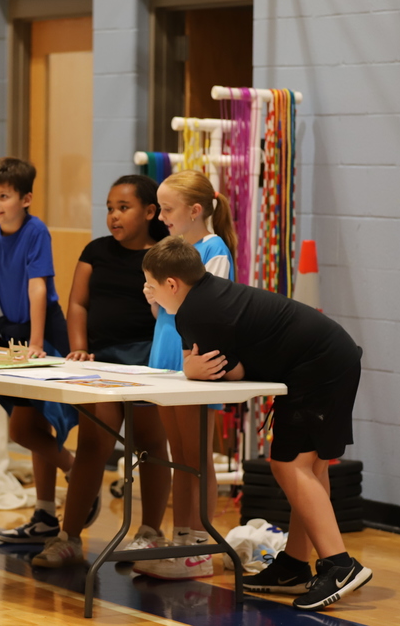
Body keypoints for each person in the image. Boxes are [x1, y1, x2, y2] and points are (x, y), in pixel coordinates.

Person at [142, 237, 372, 611]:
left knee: (288, 464)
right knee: (309, 467)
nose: (147, 291)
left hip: (319, 367)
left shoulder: (195, 312)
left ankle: (340, 566)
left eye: (151, 284)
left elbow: (221, 373)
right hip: (330, 358)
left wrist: (190, 368)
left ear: (172, 285)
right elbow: (237, 368)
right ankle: (295, 566)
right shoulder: (208, 297)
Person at [33, 175, 172, 567]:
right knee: (94, 443)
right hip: (101, 361)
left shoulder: (163, 254)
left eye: (123, 208)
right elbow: (77, 304)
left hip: (149, 362)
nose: (113, 216)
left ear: (149, 212)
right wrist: (79, 347)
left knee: (150, 446)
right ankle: (68, 537)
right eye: (109, 208)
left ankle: (149, 533)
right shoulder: (95, 251)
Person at [133, 170, 236, 581]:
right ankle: (181, 538)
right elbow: (167, 312)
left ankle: (199, 544)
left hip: (194, 361)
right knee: (179, 457)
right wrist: (154, 298)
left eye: (169, 209)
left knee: (197, 459)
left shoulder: (215, 251)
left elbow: (208, 312)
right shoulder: (168, 250)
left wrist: (166, 299)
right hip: (166, 358)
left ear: (195, 211)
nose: (162, 218)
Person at [0, 157, 77, 544]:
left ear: (27, 198)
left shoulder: (37, 231)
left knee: (30, 427)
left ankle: (73, 473)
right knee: (28, 427)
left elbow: (38, 289)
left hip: (44, 328)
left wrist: (36, 343)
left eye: (4, 196)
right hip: (12, 328)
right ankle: (47, 513)